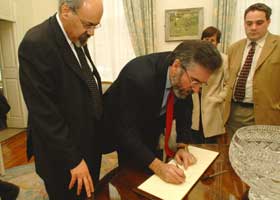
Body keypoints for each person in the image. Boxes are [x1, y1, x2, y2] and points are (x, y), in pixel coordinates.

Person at [103, 40, 222, 184]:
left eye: (201, 84)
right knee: (131, 178)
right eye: (195, 82)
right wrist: (158, 167)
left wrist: (182, 146)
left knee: (150, 178)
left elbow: (185, 109)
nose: (196, 90)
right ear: (176, 66)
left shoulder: (184, 76)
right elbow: (126, 131)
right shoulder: (136, 77)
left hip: (150, 125)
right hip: (118, 129)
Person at [18, 0, 103, 199]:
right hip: (62, 154)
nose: (91, 32)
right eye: (88, 24)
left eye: (95, 25)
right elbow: (44, 114)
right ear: (66, 11)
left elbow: (81, 81)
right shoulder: (36, 43)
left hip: (86, 141)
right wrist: (73, 160)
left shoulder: (76, 36)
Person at [224, 3, 280, 138]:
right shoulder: (234, 48)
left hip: (267, 114)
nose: (253, 28)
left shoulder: (278, 45)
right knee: (234, 153)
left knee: (262, 156)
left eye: (259, 23)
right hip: (233, 113)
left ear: (268, 22)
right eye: (249, 23)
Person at [190, 26, 229, 143]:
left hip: (212, 105)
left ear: (217, 42)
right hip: (195, 103)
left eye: (212, 40)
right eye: (205, 39)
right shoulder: (193, 58)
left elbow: (229, 83)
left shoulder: (224, 59)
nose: (208, 43)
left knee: (211, 143)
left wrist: (218, 98)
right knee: (194, 140)